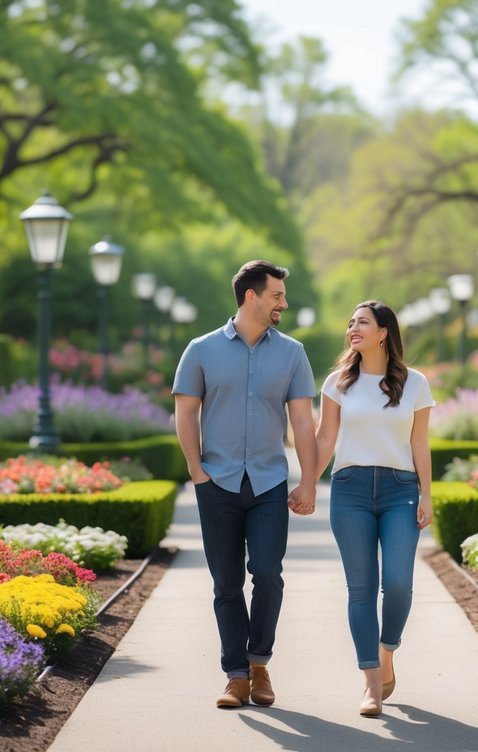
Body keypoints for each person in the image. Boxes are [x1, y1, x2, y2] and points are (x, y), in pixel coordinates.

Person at [172, 260, 318, 710]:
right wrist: (197, 472)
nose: (284, 303)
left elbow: (301, 422)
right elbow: (185, 413)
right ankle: (236, 676)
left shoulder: (292, 352)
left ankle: (259, 663)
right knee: (227, 582)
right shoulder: (201, 349)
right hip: (217, 482)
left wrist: (309, 481)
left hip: (270, 482)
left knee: (269, 574)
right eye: (277, 295)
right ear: (251, 296)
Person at [301, 300, 434, 717]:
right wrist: (306, 483)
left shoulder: (415, 383)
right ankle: (371, 684)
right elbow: (325, 441)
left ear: (383, 332)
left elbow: (419, 443)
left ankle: (386, 649)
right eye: (350, 323)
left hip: (401, 491)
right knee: (360, 589)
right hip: (350, 489)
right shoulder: (338, 382)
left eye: (362, 322)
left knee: (397, 584)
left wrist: (427, 494)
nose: (352, 329)